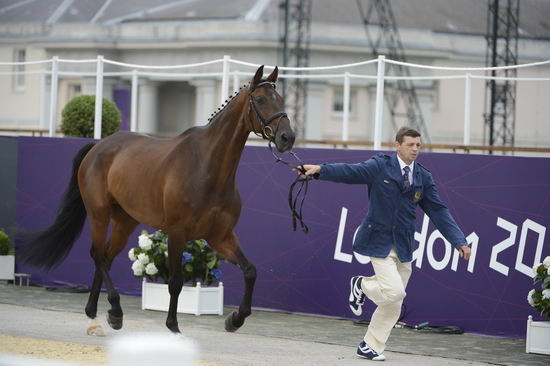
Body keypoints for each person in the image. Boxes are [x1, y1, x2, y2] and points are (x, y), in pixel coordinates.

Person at [297, 126, 471, 361]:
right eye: (410, 145)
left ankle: (370, 345)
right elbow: (351, 172)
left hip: (405, 245)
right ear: (397, 145)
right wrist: (319, 170)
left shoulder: (423, 176)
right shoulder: (380, 166)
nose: (415, 149)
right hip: (378, 241)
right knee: (395, 292)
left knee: (394, 301)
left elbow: (438, 210)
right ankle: (361, 285)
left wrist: (458, 240)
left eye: (418, 145)